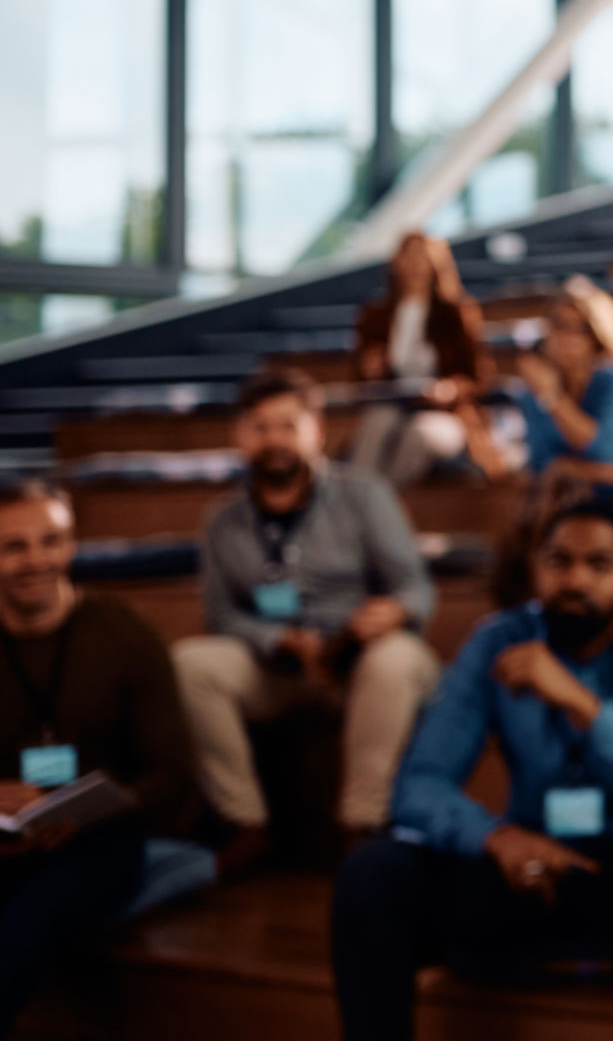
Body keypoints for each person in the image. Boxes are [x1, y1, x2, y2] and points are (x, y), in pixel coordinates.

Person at [332, 498, 613, 1040]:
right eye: (558, 562)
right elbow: (417, 786)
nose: (574, 580)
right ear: (536, 569)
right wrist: (498, 839)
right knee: (372, 870)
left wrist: (583, 705)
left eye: (598, 565)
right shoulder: (498, 640)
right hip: (525, 866)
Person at [173, 368, 440, 869]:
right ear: (239, 435)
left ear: (316, 429)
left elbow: (416, 587)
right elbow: (221, 615)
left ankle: (362, 825)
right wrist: (278, 639)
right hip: (279, 669)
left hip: (357, 660)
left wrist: (393, 611)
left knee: (397, 660)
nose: (274, 439)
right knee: (191, 663)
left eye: (288, 425)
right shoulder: (221, 520)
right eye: (260, 426)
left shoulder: (365, 493)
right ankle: (244, 823)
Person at [0, 480, 195, 1031]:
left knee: (29, 919)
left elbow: (173, 776)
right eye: (14, 546)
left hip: (97, 837)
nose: (36, 560)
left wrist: (88, 808)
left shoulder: (125, 634)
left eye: (51, 540)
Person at [350, 231, 503, 486]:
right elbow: (358, 379)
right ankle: (362, 502)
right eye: (407, 257)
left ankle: (380, 505)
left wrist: (450, 389)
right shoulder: (376, 316)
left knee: (417, 436)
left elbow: (479, 378)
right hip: (393, 403)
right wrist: (370, 370)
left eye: (421, 257)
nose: (414, 265)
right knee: (375, 427)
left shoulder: (455, 313)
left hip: (444, 411)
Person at [512, 275, 613, 500]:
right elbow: (541, 464)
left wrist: (553, 398)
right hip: (560, 503)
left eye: (581, 329)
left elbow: (606, 452)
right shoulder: (532, 390)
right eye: (559, 326)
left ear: (598, 336)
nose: (567, 338)